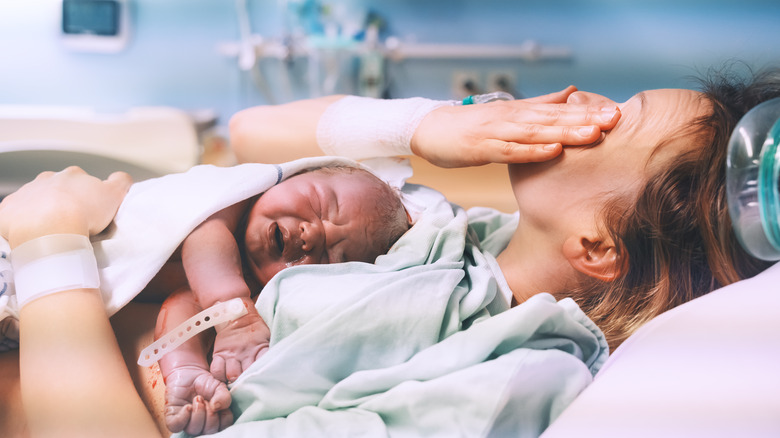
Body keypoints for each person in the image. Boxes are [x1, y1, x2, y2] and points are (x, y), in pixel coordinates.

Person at [229, 65, 780, 349]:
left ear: (597, 245)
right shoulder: (471, 237)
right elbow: (248, 133)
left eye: (614, 119)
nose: (577, 97)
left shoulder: (467, 342)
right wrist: (426, 124)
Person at [150, 165, 409, 435]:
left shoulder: (256, 284)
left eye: (331, 257)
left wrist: (186, 367)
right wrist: (236, 321)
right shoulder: (233, 202)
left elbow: (183, 306)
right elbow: (204, 241)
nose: (313, 235)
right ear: (295, 174)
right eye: (322, 204)